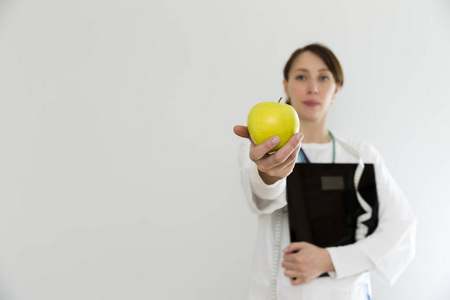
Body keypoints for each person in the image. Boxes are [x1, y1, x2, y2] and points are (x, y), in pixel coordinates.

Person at [233, 43, 417, 300]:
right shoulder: (262, 150)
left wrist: (330, 259)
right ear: (285, 86)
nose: (313, 87)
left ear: (336, 89)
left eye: (323, 77)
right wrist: (270, 174)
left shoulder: (362, 156)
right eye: (301, 76)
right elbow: (263, 198)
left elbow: (401, 228)